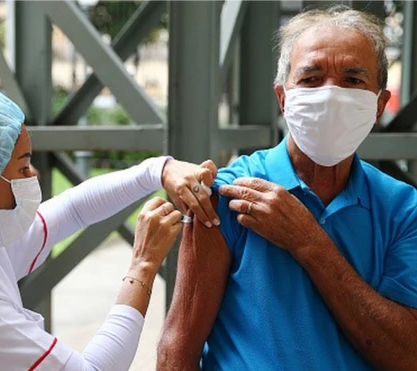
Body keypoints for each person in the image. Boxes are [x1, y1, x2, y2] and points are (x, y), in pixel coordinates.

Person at [157, 6, 417, 371]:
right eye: (311, 79)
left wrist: (307, 241)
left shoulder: (404, 209)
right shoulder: (229, 194)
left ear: (378, 105)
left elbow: (408, 355)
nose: (330, 96)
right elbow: (176, 350)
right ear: (283, 98)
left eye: (353, 79)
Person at [0, 89, 218, 370]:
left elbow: (73, 209)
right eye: (23, 165)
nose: (34, 176)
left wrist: (158, 170)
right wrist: (143, 265)